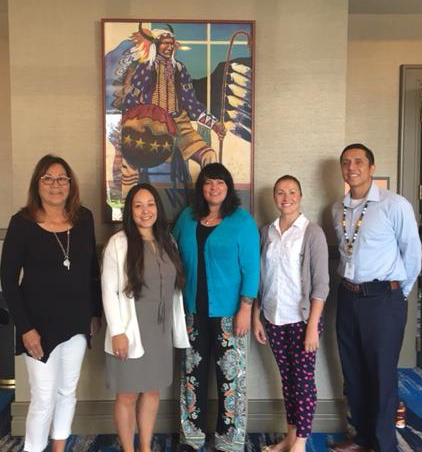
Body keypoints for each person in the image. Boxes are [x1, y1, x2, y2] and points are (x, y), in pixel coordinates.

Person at [0, 154, 102, 452]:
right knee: (43, 396)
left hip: (77, 322)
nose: (55, 185)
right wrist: (26, 328)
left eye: (61, 178)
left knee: (66, 392)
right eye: (48, 178)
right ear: (37, 184)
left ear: (70, 184)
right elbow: (8, 280)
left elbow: (91, 270)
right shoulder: (21, 223)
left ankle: (58, 448)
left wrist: (95, 313)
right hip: (38, 327)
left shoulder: (84, 218)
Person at [330, 144, 421, 452]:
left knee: (381, 374)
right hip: (348, 296)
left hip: (384, 299)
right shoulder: (337, 208)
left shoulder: (394, 204)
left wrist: (398, 295)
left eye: (358, 161)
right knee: (353, 372)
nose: (351, 167)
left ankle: (384, 445)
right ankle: (364, 437)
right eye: (346, 162)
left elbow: (413, 253)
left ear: (370, 167)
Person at [172, 163, 260, 452]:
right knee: (191, 375)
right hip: (192, 312)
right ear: (201, 187)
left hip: (229, 314)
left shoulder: (241, 221)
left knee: (230, 377)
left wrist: (246, 307)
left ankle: (229, 439)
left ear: (228, 187)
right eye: (208, 183)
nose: (214, 188)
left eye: (220, 183)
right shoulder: (186, 218)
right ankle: (192, 435)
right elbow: (172, 254)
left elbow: (252, 268)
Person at [101, 183, 190, 452]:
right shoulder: (119, 243)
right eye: (138, 205)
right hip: (130, 329)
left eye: (150, 204)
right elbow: (108, 290)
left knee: (152, 390)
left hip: (160, 331)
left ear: (158, 208)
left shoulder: (168, 240)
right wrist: (117, 331)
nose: (145, 210)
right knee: (127, 393)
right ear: (130, 210)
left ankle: (145, 446)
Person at [253, 175, 329, 452]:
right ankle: (290, 436)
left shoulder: (312, 232)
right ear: (274, 198)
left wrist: (312, 326)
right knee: (288, 381)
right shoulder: (266, 232)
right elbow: (260, 279)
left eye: (292, 192)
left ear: (300, 195)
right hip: (274, 318)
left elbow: (321, 285)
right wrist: (256, 316)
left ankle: (301, 443)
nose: (287, 198)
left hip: (302, 320)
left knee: (304, 382)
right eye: (281, 193)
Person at [118, 23, 226, 196]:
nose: (169, 47)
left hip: (180, 125)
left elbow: (191, 103)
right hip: (150, 126)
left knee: (210, 156)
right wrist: (129, 127)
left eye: (171, 43)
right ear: (155, 45)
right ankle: (127, 204)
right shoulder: (144, 69)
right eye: (164, 43)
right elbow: (132, 100)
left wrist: (214, 125)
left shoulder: (180, 69)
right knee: (129, 159)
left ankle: (207, 205)